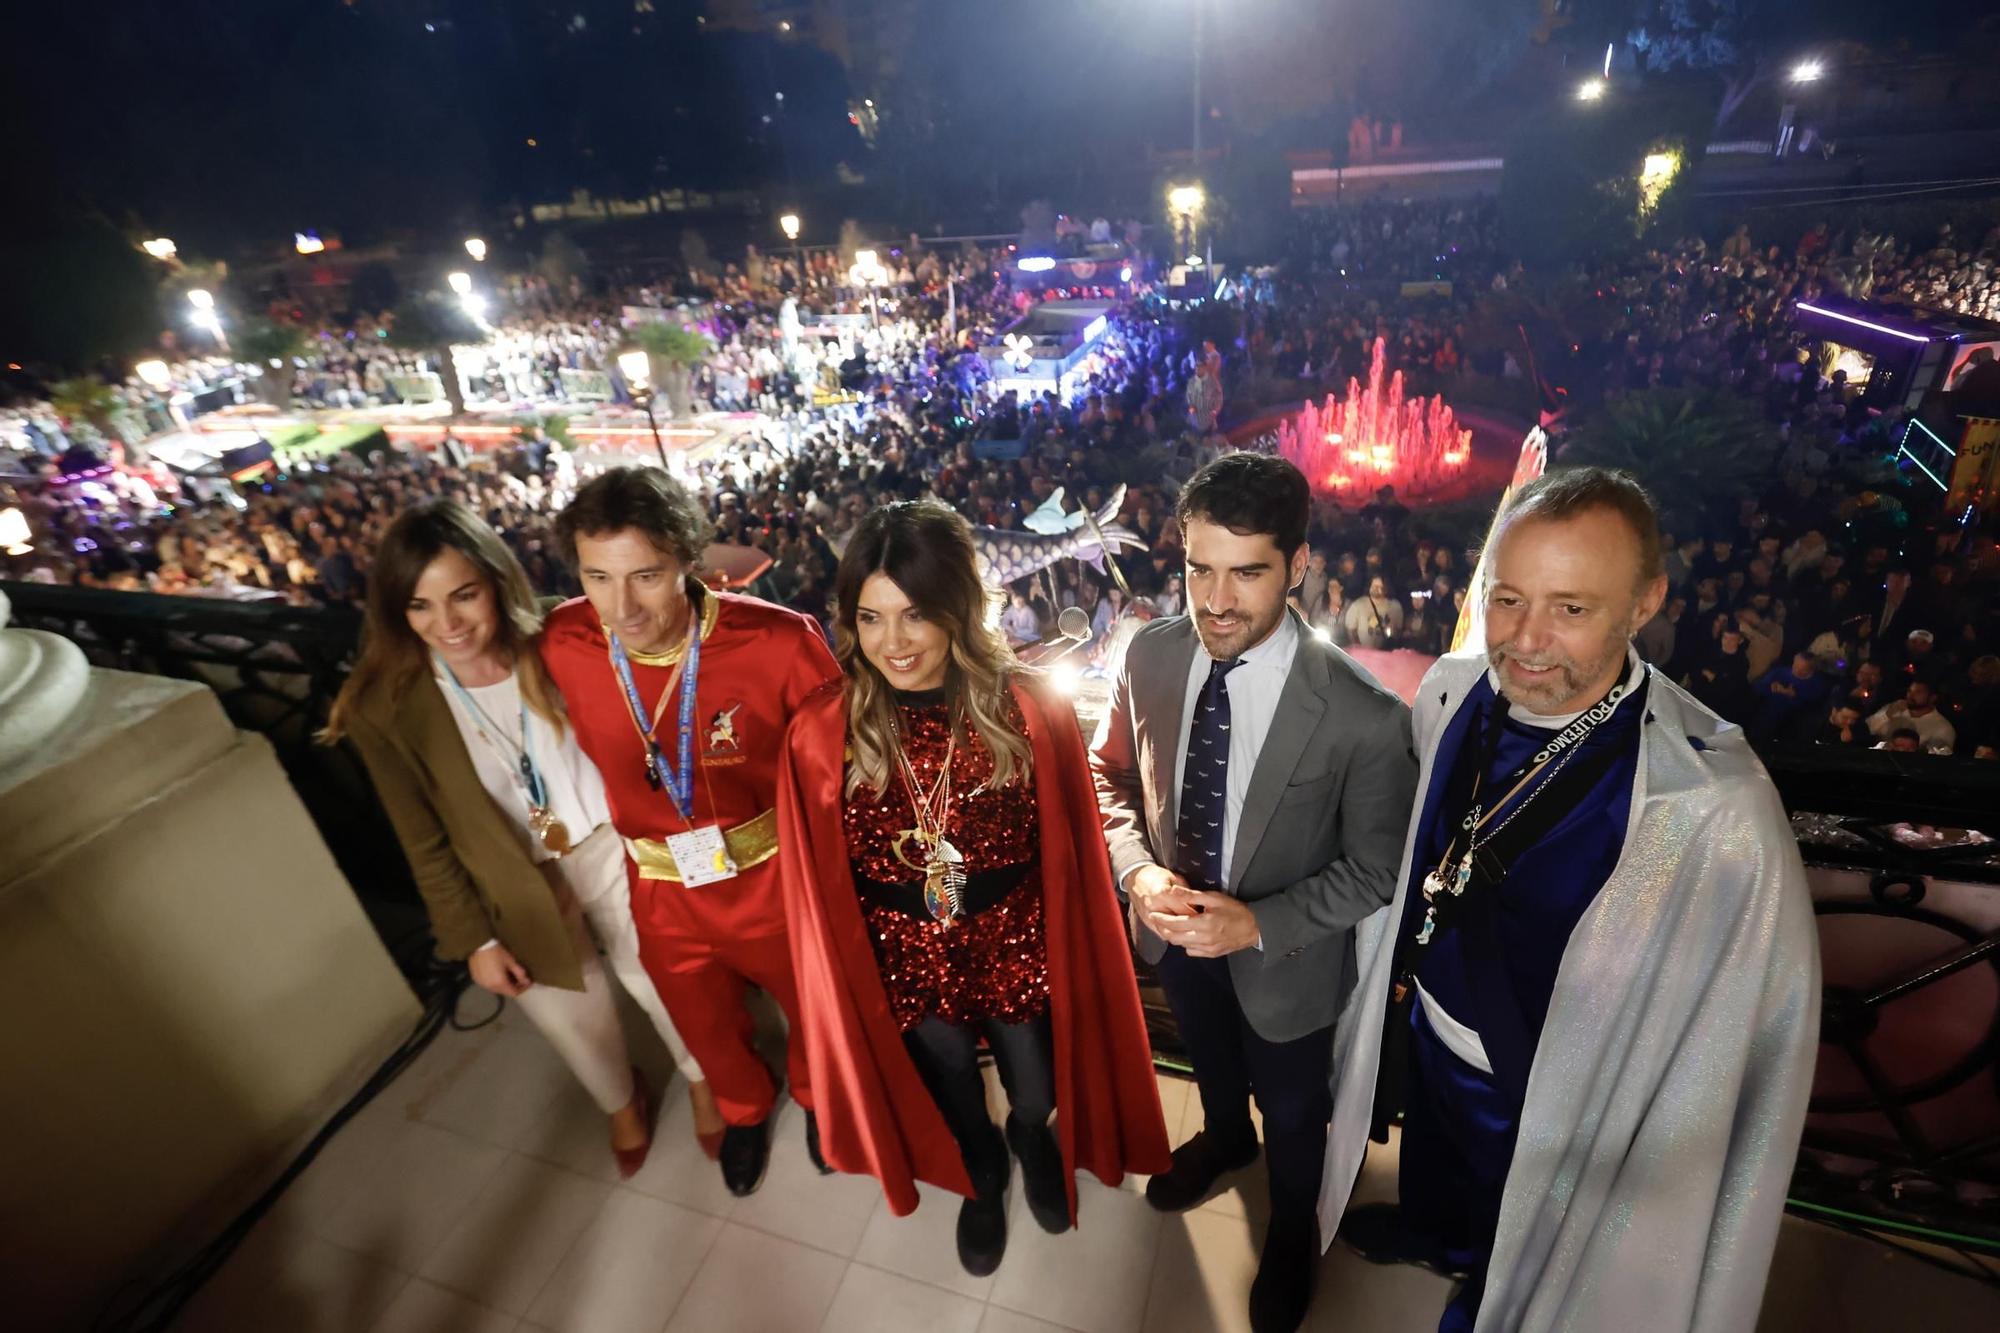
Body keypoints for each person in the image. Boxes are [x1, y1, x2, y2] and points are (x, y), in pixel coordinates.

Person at [1324, 467, 1820, 1333]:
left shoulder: (1707, 802)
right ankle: (1432, 1231)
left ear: (1645, 602)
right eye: (1508, 599)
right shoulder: (1453, 693)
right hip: (1433, 1023)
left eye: (1573, 608)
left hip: (1559, 1091)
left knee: (1530, 1237)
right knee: (1439, 1167)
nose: (1527, 640)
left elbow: (1734, 1044)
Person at [775, 501, 1169, 1275]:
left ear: (959, 606)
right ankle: (982, 1171)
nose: (893, 642)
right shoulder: (825, 731)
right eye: (872, 616)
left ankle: (1028, 1138)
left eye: (916, 614)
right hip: (903, 951)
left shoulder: (1027, 707)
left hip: (1013, 937)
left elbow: (1069, 856)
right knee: (949, 1078)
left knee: (1035, 1084)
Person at [1092, 453, 1418, 1333]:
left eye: (1248, 571)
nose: (1217, 599)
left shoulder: (1362, 714)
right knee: (1210, 1057)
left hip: (1289, 963)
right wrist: (1137, 869)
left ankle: (1292, 1232)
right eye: (1200, 567)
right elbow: (1108, 776)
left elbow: (1376, 869)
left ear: (1299, 565)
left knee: (1297, 1106)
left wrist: (1260, 922)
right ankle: (1226, 1137)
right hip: (1172, 931)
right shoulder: (1151, 655)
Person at [323, 500, 714, 1178]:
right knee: (574, 1013)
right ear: (395, 611)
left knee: (660, 977)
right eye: (419, 605)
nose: (447, 624)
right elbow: (424, 840)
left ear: (497, 581)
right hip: (511, 881)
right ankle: (621, 1102)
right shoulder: (385, 705)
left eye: (464, 595)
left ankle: (704, 1074)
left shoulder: (565, 637)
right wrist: (472, 938)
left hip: (613, 845)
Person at [539, 467, 841, 1196]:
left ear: (689, 562)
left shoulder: (779, 641)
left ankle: (818, 1097)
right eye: (597, 578)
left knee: (811, 1004)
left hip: (772, 873)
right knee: (701, 1021)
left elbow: (837, 769)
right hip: (660, 885)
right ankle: (743, 1108)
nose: (623, 605)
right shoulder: (563, 640)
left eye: (646, 575)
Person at [1866, 678, 1956, 753]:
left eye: (1918, 692)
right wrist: (1887, 714)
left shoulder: (1942, 727)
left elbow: (1941, 756)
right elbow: (1868, 728)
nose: (1911, 695)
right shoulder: (1893, 709)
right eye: (1909, 691)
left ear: (1932, 698)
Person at [1343, 574, 1404, 649]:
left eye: (1380, 587)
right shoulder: (1358, 605)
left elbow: (1398, 630)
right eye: (1374, 586)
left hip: (1387, 653)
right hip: (1364, 653)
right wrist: (1359, 648)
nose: (1377, 589)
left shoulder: (1395, 606)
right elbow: (1351, 630)